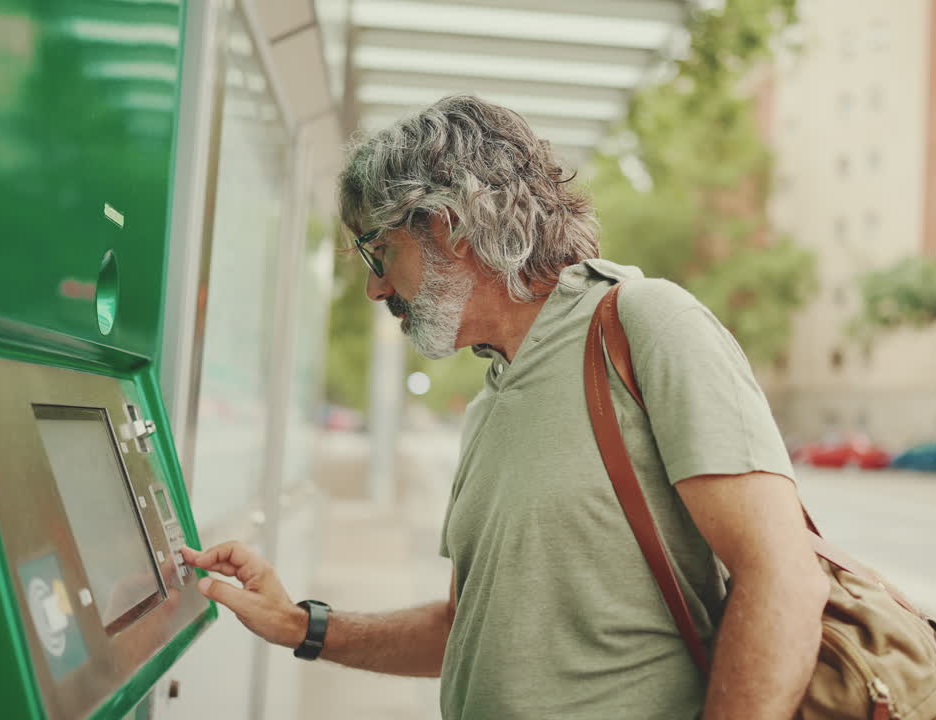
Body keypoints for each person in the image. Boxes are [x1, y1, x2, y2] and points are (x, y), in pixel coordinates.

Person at [182, 95, 828, 719]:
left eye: (379, 253)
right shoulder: (489, 402)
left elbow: (782, 577)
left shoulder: (643, 324)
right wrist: (301, 624)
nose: (377, 288)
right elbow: (461, 630)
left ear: (450, 227)